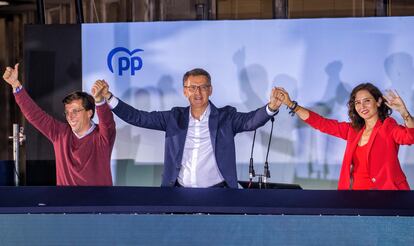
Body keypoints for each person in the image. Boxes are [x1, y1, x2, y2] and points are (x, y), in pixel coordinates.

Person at [103, 68, 283, 188]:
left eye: (203, 87)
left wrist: (271, 107)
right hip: (179, 193)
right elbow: (138, 117)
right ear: (185, 91)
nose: (198, 92)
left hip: (219, 193)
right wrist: (109, 98)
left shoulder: (225, 117)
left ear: (210, 90)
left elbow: (250, 121)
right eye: (192, 88)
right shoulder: (174, 117)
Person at [275, 83, 414, 190]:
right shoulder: (353, 130)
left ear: (378, 102)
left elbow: (410, 137)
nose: (362, 106)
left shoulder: (388, 126)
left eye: (367, 101)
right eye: (357, 102)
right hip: (356, 197)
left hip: (387, 195)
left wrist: (404, 113)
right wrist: (291, 104)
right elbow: (321, 123)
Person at [2, 64, 116, 186]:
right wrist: (16, 86)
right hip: (65, 203)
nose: (70, 116)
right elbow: (35, 115)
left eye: (75, 111)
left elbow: (107, 121)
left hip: (99, 203)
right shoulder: (60, 134)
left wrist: (99, 100)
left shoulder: (103, 136)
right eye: (67, 112)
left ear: (89, 113)